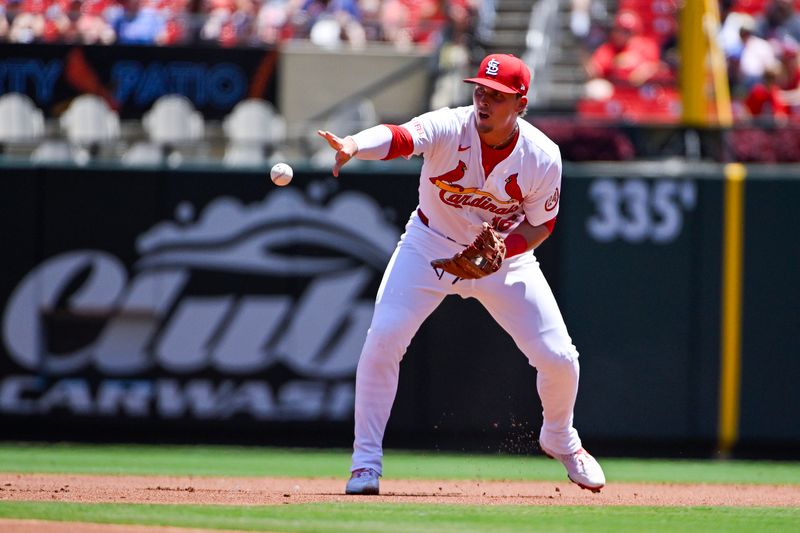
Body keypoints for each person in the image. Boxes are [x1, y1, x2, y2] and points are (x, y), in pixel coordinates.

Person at [317, 53, 606, 496]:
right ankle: (365, 463)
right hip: (428, 245)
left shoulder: (542, 155)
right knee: (384, 337)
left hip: (502, 259)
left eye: (497, 95)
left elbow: (541, 224)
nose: (483, 100)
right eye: (480, 90)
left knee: (560, 359)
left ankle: (560, 437)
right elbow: (399, 137)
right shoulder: (451, 126)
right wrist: (355, 144)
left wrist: (500, 253)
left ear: (521, 104)